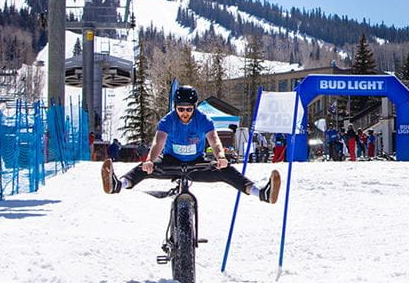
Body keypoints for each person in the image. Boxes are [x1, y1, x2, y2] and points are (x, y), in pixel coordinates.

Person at [101, 85, 281, 203]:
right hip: (171, 162)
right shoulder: (168, 121)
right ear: (175, 108)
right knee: (144, 168)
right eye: (181, 109)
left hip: (197, 163)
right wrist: (150, 160)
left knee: (227, 171)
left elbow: (214, 140)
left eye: (189, 109)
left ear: (194, 107)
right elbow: (158, 142)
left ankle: (261, 193)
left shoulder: (203, 119)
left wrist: (220, 157)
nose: (185, 113)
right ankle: (118, 184)